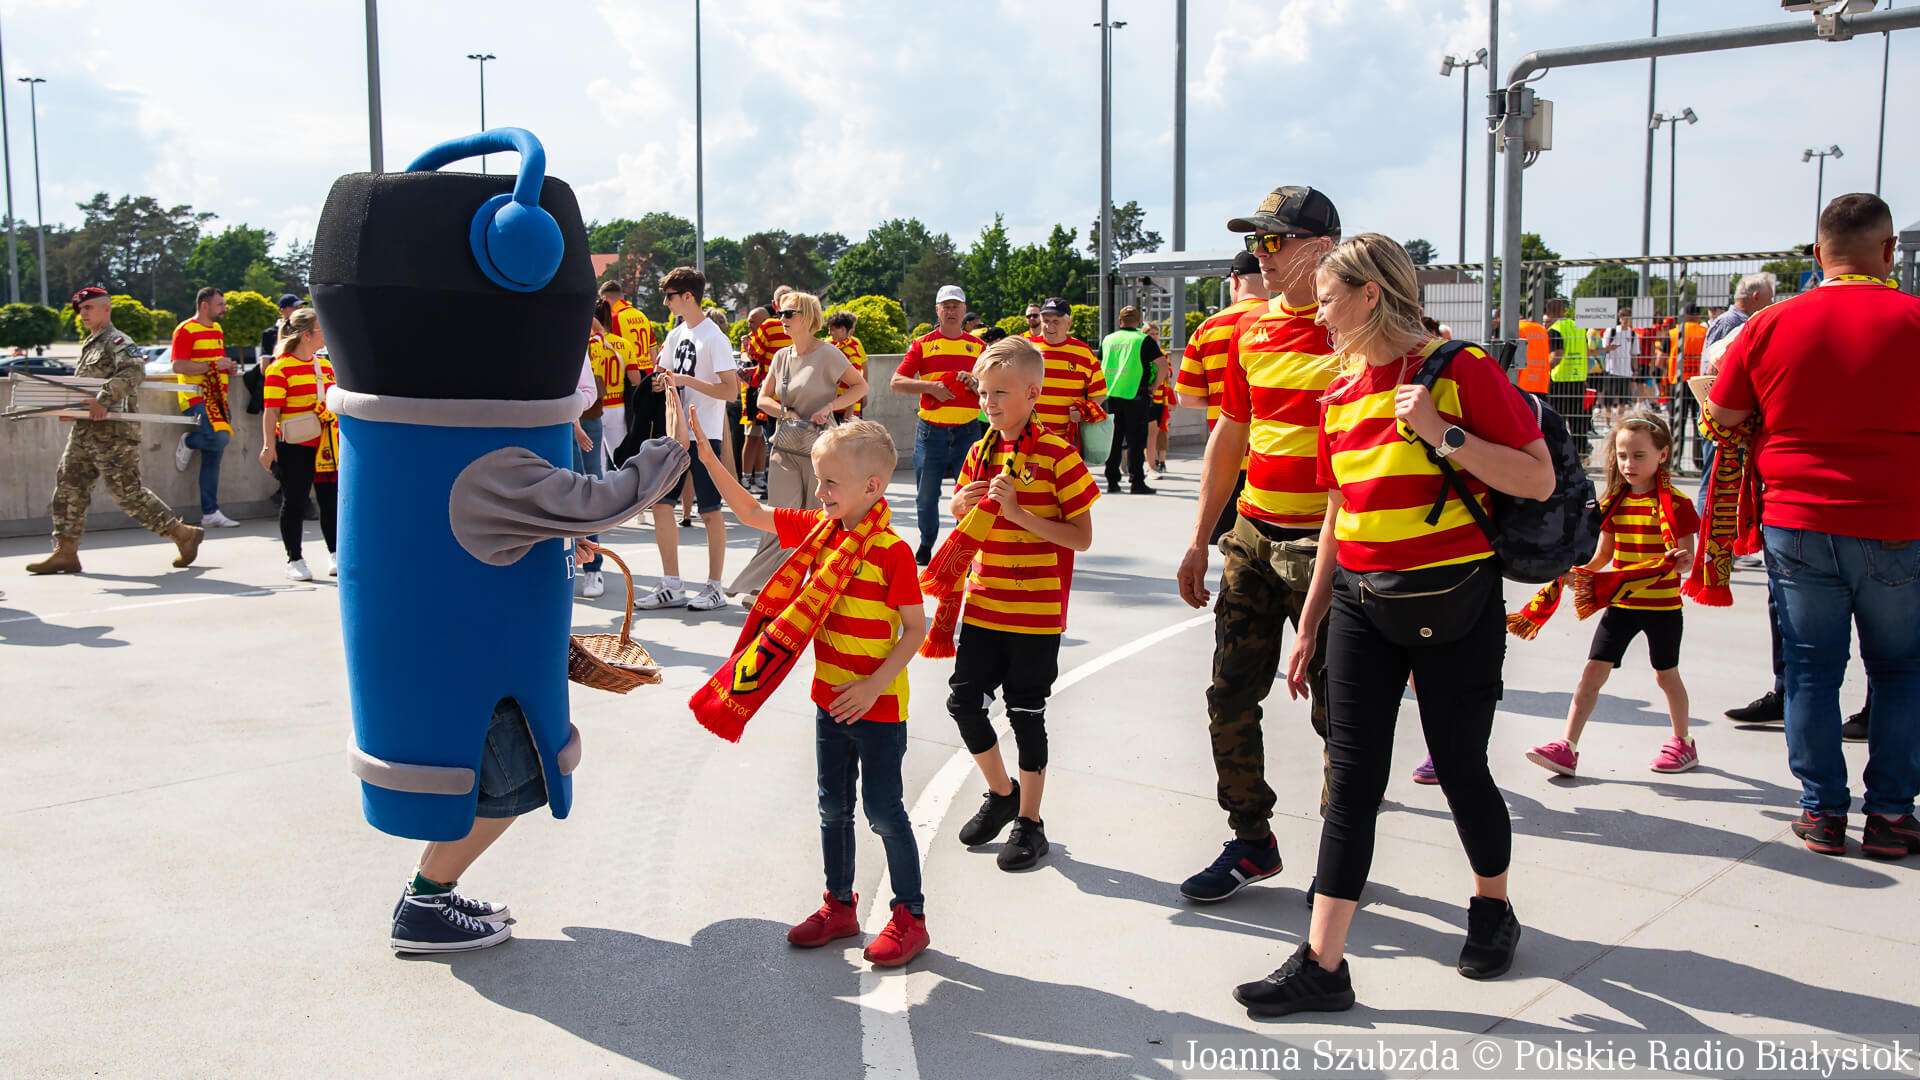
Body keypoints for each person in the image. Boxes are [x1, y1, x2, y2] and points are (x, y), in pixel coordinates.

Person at [1235, 234, 1553, 1016]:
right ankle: (1323, 964)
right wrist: (1309, 623)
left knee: (1460, 766)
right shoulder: (1339, 392)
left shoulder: (1461, 371)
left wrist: (1446, 432)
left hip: (1456, 599)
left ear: (1370, 295)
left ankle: (1491, 908)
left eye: (1331, 297)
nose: (1321, 312)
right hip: (1361, 605)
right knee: (1352, 782)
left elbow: (1538, 478)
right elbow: (1340, 517)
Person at [1705, 193, 1920, 860]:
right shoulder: (1914, 317)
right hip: (1897, 522)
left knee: (1808, 672)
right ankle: (1889, 815)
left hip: (1796, 523)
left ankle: (1823, 813)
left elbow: (1725, 416)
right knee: (1902, 672)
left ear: (1817, 250)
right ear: (1888, 252)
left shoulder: (1769, 324)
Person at [682, 418, 931, 966]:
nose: (819, 493)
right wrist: (706, 454)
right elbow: (751, 512)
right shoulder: (822, 528)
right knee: (833, 808)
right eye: (818, 482)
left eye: (829, 482)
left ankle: (910, 917)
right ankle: (839, 906)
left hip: (878, 705)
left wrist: (871, 687)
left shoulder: (890, 551)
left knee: (884, 811)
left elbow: (917, 628)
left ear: (871, 486)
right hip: (829, 700)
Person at [1174, 184, 1340, 903]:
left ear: (1323, 248)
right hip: (1252, 536)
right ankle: (1251, 841)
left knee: (1339, 712)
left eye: (1277, 241)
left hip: (1330, 547)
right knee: (1229, 696)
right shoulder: (1248, 331)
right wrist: (1197, 539)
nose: (1261, 255)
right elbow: (1229, 434)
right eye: (1258, 242)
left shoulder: (1362, 328)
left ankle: (1342, 850)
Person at [942, 336, 1098, 872]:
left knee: (1027, 714)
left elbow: (1081, 537)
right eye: (983, 392)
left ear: (1033, 393)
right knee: (963, 703)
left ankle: (1030, 822)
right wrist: (960, 505)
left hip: (1034, 614)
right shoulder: (980, 449)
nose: (988, 402)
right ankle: (1001, 792)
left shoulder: (1057, 453)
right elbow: (964, 520)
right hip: (984, 604)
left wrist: (1021, 515)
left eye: (999, 393)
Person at [1524, 413, 1700, 777]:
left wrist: (1682, 562)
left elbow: (1687, 562)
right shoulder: (1614, 504)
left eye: (1638, 455)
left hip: (1662, 606)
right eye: (1622, 455)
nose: (1628, 464)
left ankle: (1683, 743)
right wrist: (1579, 573)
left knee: (1666, 676)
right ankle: (1566, 746)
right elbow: (1603, 556)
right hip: (1620, 604)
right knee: (1591, 674)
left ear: (1663, 454)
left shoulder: (1678, 505)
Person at [26, 287, 204, 575]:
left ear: (106, 309)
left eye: (89, 308)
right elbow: (85, 387)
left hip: (114, 433)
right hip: (86, 431)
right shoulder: (91, 343)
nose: (83, 314)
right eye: (81, 310)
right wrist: (72, 409)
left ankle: (182, 534)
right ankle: (66, 551)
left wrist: (103, 398)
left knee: (126, 492)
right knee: (69, 486)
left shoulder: (117, 341)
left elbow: (134, 371)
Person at [730, 291, 869, 595]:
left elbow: (860, 386)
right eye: (780, 314)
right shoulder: (781, 356)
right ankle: (765, 585)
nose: (781, 320)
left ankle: (809, 585)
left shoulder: (829, 354)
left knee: (816, 517)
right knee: (780, 515)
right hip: (785, 445)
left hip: (821, 448)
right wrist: (785, 411)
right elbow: (762, 398)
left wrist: (830, 407)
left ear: (806, 316)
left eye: (788, 314)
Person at [626, 266, 741, 612]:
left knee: (709, 511)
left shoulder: (714, 337)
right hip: (675, 434)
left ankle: (715, 586)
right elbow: (666, 376)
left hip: (705, 433)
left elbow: (731, 390)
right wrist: (663, 383)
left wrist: (686, 381)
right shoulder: (676, 334)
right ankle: (672, 584)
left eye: (670, 296)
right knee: (662, 505)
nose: (666, 302)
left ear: (687, 296)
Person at [1177, 250, 1270, 544]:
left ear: (1234, 280)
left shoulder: (1208, 328)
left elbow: (1187, 398)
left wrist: (1223, 397)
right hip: (1273, 457)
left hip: (1227, 457)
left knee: (1232, 551)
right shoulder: (1282, 319)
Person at [892, 283, 985, 563]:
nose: (951, 310)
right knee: (925, 496)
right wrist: (931, 387)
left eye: (956, 305)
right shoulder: (922, 344)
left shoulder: (979, 347)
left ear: (965, 310)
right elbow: (896, 382)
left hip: (968, 431)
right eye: (946, 305)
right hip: (930, 431)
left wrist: (975, 383)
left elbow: (991, 386)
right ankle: (926, 543)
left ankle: (961, 550)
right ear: (937, 310)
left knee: (968, 495)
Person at [257, 309, 340, 581]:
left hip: (326, 445)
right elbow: (271, 412)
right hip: (295, 446)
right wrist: (269, 447)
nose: (325, 334)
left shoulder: (326, 366)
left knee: (330, 501)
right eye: (321, 329)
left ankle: (335, 553)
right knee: (295, 501)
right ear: (306, 335)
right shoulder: (279, 368)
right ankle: (294, 558)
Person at [576, 306, 638, 600]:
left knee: (590, 487)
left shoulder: (582, 344)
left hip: (589, 418)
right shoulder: (614, 343)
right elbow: (635, 376)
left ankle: (593, 567)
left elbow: (587, 388)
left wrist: (571, 417)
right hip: (593, 415)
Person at [171, 286, 241, 528]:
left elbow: (214, 365)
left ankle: (210, 513)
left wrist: (226, 367)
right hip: (197, 399)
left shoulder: (218, 329)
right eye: (220, 304)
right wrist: (214, 364)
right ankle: (189, 442)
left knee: (214, 457)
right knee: (219, 439)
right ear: (204, 306)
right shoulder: (185, 330)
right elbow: (179, 366)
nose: (224, 309)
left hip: (218, 399)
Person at [1024, 296, 1106, 444]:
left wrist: (1083, 412)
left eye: (1056, 321)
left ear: (1068, 324)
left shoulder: (1084, 353)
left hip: (1068, 436)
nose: (1049, 327)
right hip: (1029, 434)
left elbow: (1099, 393)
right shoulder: (1025, 348)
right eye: (1046, 321)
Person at [740, 287, 796, 497]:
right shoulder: (806, 325)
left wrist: (746, 347)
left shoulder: (769, 327)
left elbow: (753, 354)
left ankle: (774, 486)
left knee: (772, 441)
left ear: (775, 305)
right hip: (799, 393)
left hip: (772, 396)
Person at [1099, 305, 1161, 494]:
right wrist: (1153, 386)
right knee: (1136, 440)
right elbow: (1163, 366)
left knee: (1114, 440)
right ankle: (1136, 482)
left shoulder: (1108, 339)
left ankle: (1111, 480)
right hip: (1136, 394)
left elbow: (1098, 363)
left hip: (1110, 396)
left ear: (1120, 321)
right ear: (1138, 322)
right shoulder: (1143, 340)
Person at [602, 280, 658, 471]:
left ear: (604, 299)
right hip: (646, 379)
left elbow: (614, 348)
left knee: (620, 444)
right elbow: (653, 352)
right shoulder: (641, 316)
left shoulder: (614, 317)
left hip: (625, 383)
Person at [1544, 297, 1590, 456]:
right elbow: (1586, 352)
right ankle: (1582, 453)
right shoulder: (1578, 327)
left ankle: (1560, 454)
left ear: (1548, 314)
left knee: (1558, 421)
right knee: (1578, 419)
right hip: (1578, 379)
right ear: (1564, 310)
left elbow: (1556, 356)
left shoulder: (1555, 329)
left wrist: (1543, 369)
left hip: (1560, 380)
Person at [1666, 306, 1707, 468]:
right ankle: (1699, 462)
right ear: (1698, 316)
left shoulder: (1673, 333)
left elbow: (1661, 360)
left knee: (1677, 423)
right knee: (1699, 422)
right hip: (1698, 382)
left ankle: (1674, 461)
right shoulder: (1704, 332)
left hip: (1678, 383)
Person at [1598, 307, 1639, 426]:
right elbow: (1603, 350)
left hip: (1625, 371)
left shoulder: (1632, 334)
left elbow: (1634, 354)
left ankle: (1618, 424)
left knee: (1623, 401)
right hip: (1611, 370)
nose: (1625, 320)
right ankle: (1607, 424)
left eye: (1627, 317)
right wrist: (1610, 348)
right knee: (1608, 401)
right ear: (1619, 318)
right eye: (1623, 317)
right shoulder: (1611, 331)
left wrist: (1635, 369)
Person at [827, 310, 868, 419]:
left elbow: (856, 384)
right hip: (837, 406)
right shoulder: (836, 346)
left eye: (832, 330)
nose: (829, 333)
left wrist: (850, 410)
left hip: (845, 410)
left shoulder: (852, 350)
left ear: (843, 330)